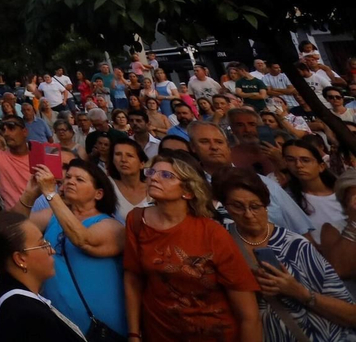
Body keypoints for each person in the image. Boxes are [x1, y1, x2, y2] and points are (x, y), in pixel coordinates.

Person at [123, 152, 262, 342]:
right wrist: (133, 333)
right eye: (152, 172)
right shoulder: (137, 220)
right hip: (160, 334)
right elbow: (133, 278)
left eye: (166, 175)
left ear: (187, 191)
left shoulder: (212, 233)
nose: (154, 177)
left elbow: (248, 315)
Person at [215, 168, 356, 342]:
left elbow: (351, 314)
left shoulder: (295, 246)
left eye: (255, 206)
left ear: (266, 204)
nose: (248, 215)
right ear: (225, 206)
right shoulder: (221, 245)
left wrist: (298, 291)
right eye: (237, 206)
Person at [30, 158, 129, 337]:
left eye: (79, 179)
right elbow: (11, 231)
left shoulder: (112, 226)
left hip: (103, 327)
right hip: (60, 323)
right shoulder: (52, 216)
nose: (70, 182)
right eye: (67, 177)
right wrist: (30, 195)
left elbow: (83, 240)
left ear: (98, 194)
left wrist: (51, 194)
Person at [0, 211, 85, 340]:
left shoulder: (13, 298)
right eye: (42, 245)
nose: (51, 250)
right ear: (20, 259)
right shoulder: (25, 312)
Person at [190, 122, 316, 237]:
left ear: (228, 147)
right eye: (205, 142)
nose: (214, 147)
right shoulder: (191, 189)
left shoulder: (264, 182)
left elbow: (302, 230)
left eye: (219, 142)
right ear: (193, 147)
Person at [282, 138, 350, 238]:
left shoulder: (345, 191)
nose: (298, 165)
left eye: (305, 160)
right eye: (291, 160)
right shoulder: (287, 199)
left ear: (321, 166)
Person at [105, 131, 152, 220]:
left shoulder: (153, 186)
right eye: (118, 154)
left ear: (142, 163)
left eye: (129, 155)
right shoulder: (106, 186)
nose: (123, 160)